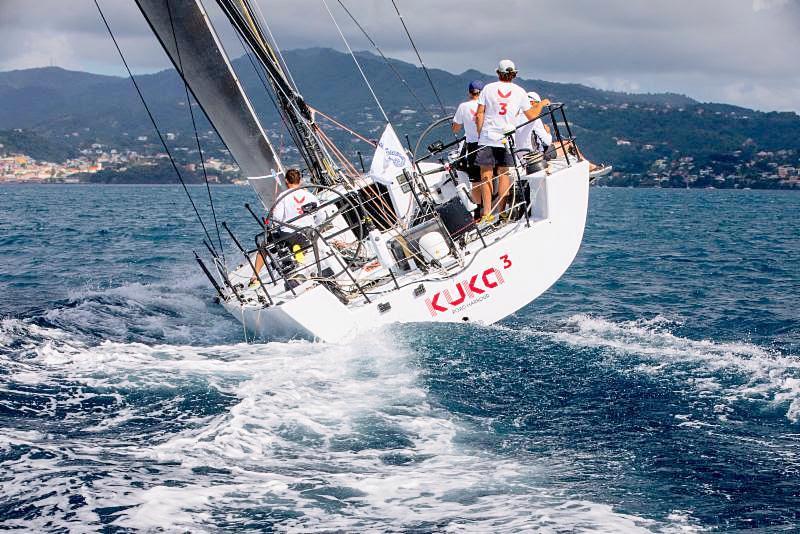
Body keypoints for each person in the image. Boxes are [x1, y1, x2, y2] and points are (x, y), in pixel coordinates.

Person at [475, 60, 550, 222]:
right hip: (507, 138)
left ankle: (487, 213)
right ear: (514, 74)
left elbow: (479, 114)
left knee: (486, 175)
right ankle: (502, 211)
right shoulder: (520, 92)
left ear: (498, 73)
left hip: (488, 136)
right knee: (504, 174)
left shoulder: (488, 88)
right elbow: (531, 116)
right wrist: (541, 105)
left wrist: (481, 134)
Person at [250, 168, 320, 287]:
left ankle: (255, 276)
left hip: (288, 236)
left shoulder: (283, 196)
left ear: (286, 181)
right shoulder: (310, 196)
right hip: (307, 235)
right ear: (300, 180)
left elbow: (276, 218)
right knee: (305, 237)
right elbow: (319, 213)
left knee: (264, 247)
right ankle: (299, 251)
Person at [452, 80, 484, 210]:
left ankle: (478, 209)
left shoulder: (463, 107)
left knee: (476, 180)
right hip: (488, 142)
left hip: (473, 146)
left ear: (469, 93)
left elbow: (455, 129)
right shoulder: (487, 104)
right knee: (490, 174)